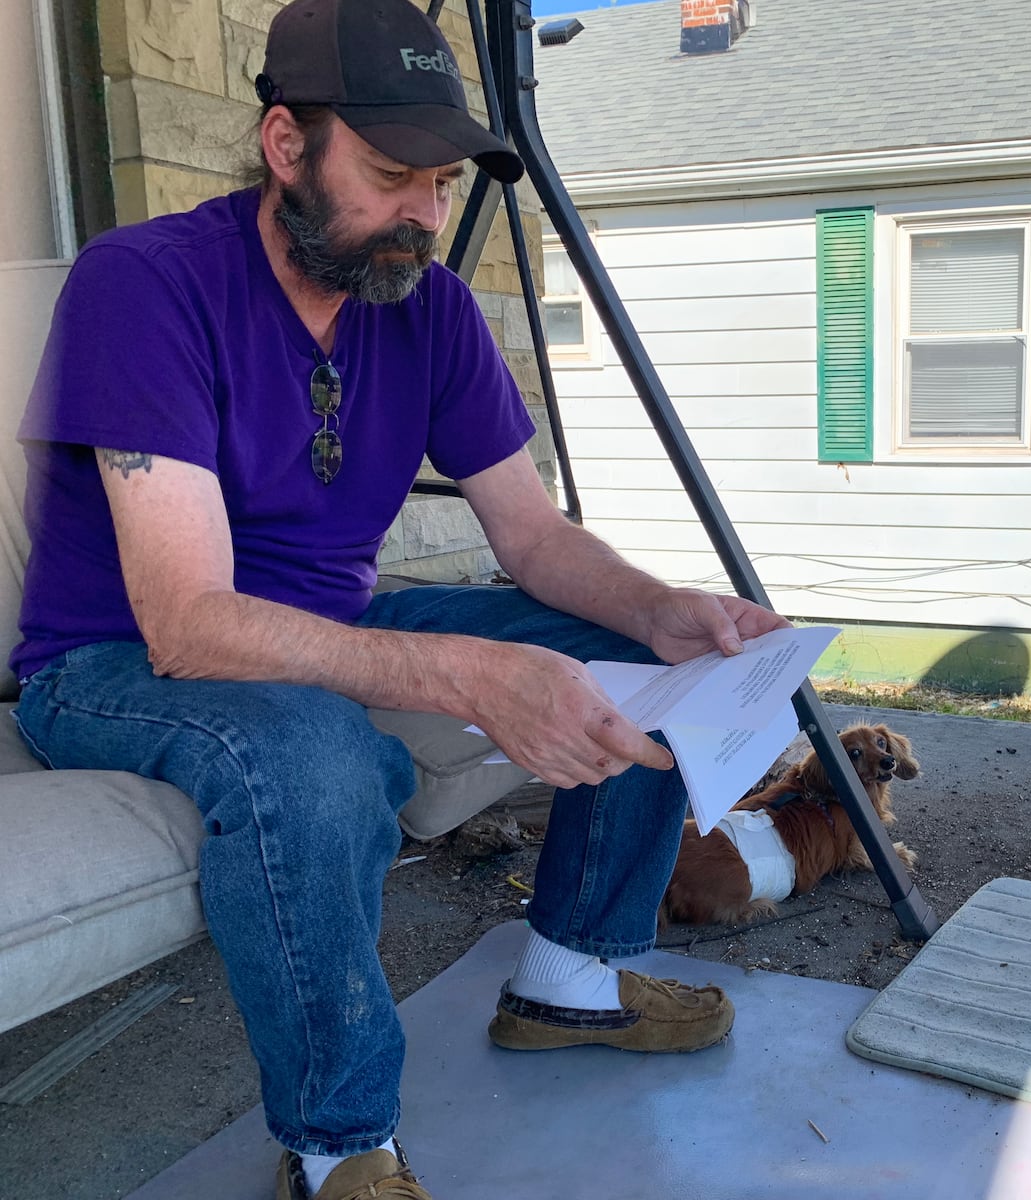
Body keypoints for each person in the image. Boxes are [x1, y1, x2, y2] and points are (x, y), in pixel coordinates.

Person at [7, 2, 788, 1197]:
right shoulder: (146, 286)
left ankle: (570, 984)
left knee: (638, 650)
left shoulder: (426, 308)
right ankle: (340, 1147)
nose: (425, 214)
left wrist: (654, 608)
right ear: (284, 146)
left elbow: (528, 536)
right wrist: (466, 674)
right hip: (116, 662)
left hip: (334, 627)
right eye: (389, 175)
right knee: (316, 754)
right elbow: (191, 624)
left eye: (439, 179)